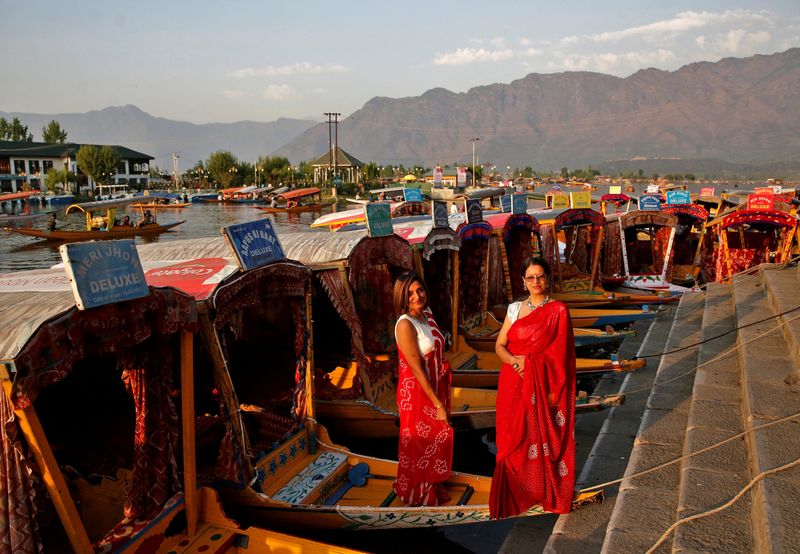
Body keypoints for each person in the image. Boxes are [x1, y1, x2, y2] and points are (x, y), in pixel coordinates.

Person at [489, 257, 576, 518]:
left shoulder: (558, 310)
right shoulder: (514, 309)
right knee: (513, 437)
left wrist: (534, 365)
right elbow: (499, 346)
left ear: (548, 279)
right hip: (514, 382)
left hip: (542, 384)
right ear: (523, 282)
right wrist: (518, 363)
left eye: (540, 276)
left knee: (538, 435)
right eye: (530, 277)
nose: (535, 282)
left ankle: (543, 487)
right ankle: (520, 487)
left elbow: (561, 354)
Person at [392, 271, 453, 506]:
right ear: (401, 297)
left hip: (435, 387)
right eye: (409, 293)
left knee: (437, 438)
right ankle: (418, 495)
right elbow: (416, 369)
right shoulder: (405, 324)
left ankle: (433, 484)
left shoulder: (426, 315)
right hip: (418, 393)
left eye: (419, 290)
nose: (416, 296)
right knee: (420, 444)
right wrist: (437, 404)